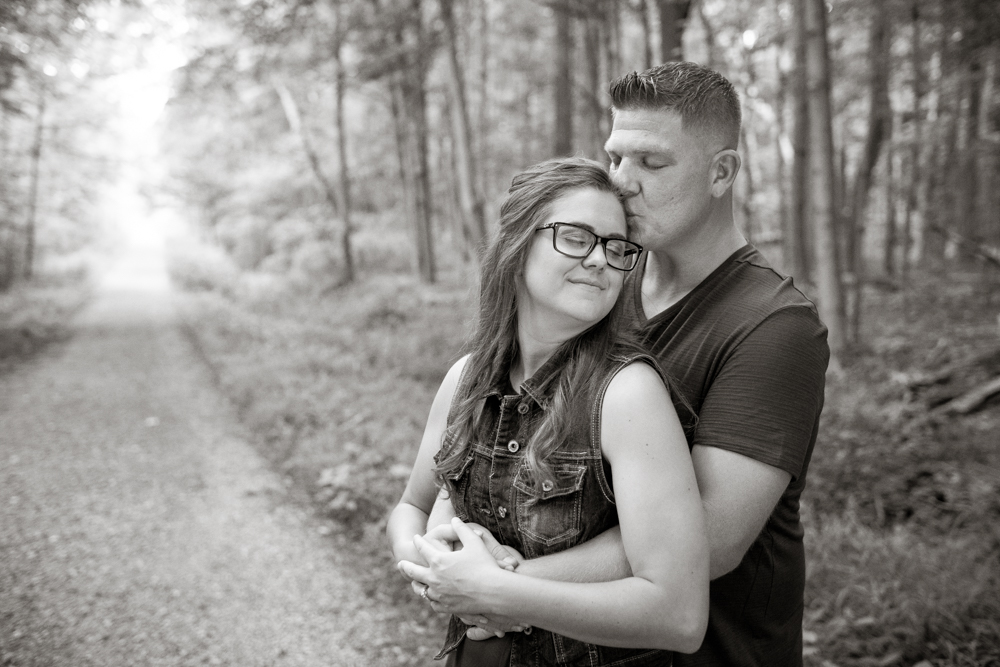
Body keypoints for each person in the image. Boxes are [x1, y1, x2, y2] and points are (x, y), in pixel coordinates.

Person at [406, 62, 831, 666]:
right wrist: (458, 541)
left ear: (722, 172)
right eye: (616, 158)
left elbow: (708, 542)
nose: (624, 182)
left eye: (652, 163)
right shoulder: (601, 286)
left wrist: (502, 584)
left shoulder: (772, 325)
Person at [387, 157, 710, 666]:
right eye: (578, 238)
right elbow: (410, 508)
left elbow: (679, 614)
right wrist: (432, 569)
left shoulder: (627, 394)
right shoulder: (465, 380)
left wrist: (495, 591)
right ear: (517, 248)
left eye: (616, 246)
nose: (601, 259)